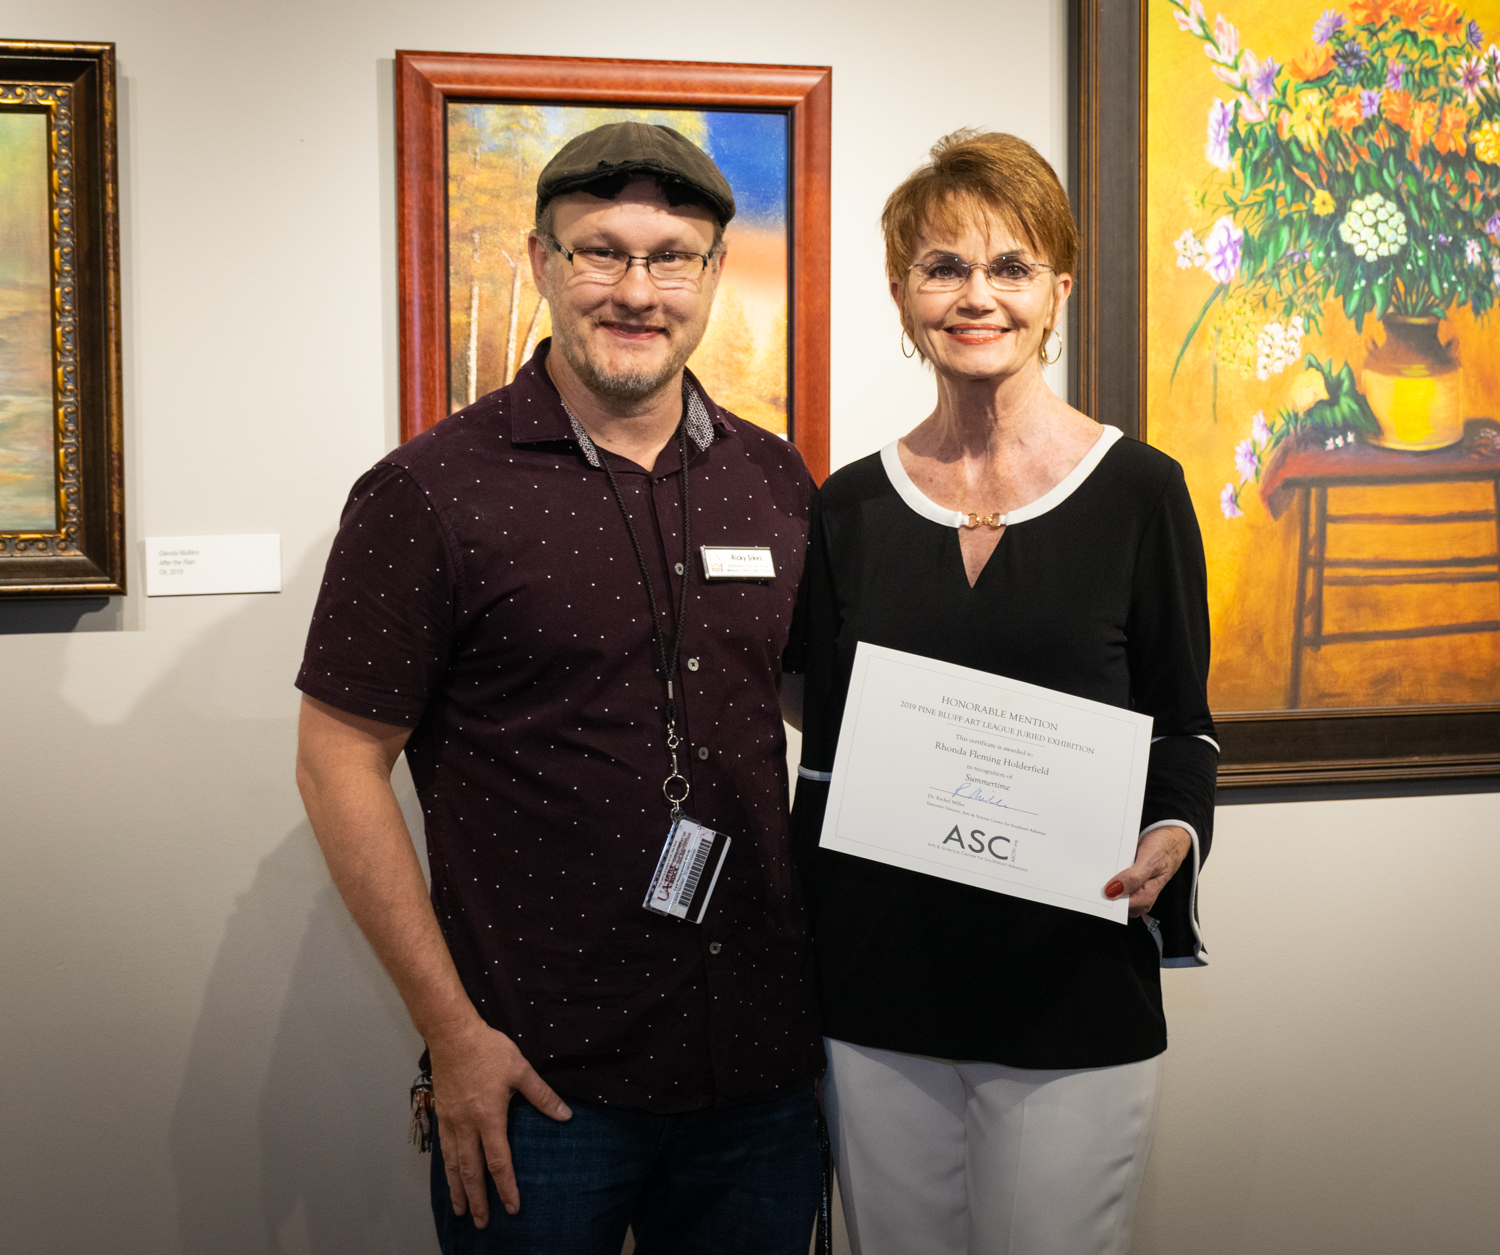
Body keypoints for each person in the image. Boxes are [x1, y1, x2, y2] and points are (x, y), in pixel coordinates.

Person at [295, 121, 823, 1255]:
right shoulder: (427, 494)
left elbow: (822, 710)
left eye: (671, 256)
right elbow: (338, 761)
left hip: (760, 1077)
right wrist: (452, 1033)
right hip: (536, 1083)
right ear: (541, 262)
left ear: (715, 277)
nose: (638, 290)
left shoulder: (773, 480)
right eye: (601, 252)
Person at [789, 129, 1218, 1255]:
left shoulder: (1140, 492)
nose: (977, 296)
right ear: (901, 294)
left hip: (1071, 981)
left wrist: (1172, 827)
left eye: (1011, 267)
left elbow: (1183, 720)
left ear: (1057, 289)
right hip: (879, 987)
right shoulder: (847, 508)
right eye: (943, 268)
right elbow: (822, 742)